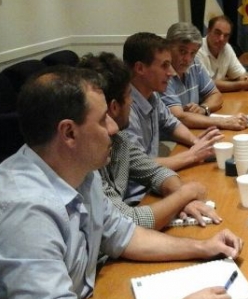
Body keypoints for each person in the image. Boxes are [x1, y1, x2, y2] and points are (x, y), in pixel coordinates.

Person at [0, 67, 243, 299]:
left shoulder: (80, 171)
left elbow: (123, 235)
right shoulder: (24, 212)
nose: (114, 127)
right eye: (103, 119)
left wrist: (203, 248)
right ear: (69, 133)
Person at [79, 52, 221, 229]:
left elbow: (155, 171)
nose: (132, 102)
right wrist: (185, 195)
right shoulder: (85, 160)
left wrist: (181, 198)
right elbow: (125, 224)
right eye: (129, 95)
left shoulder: (118, 138)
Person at [123, 32, 223, 200]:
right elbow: (140, 165)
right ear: (140, 68)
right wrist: (192, 155)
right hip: (138, 198)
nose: (170, 72)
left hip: (157, 183)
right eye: (164, 66)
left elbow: (172, 123)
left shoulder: (152, 96)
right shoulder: (125, 109)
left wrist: (196, 142)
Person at [162, 22, 248, 131]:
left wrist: (203, 108)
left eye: (193, 53)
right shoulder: (162, 73)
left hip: (192, 131)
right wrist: (224, 122)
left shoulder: (194, 63)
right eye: (182, 51)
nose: (188, 59)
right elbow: (179, 118)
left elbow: (216, 94)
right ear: (168, 47)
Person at [197, 15, 248, 92]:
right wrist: (243, 84)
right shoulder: (197, 49)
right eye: (217, 33)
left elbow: (241, 74)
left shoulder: (226, 48)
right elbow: (207, 84)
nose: (221, 39)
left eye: (226, 35)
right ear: (208, 31)